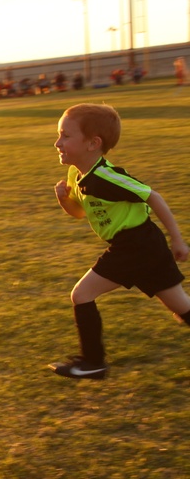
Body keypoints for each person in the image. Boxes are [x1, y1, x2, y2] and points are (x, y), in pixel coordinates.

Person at [50, 103, 190, 380]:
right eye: (59, 135)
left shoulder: (107, 175)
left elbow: (153, 196)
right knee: (182, 306)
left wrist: (178, 239)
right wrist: (64, 199)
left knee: (81, 295)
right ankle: (93, 362)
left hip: (135, 245)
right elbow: (79, 212)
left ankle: (93, 362)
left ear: (93, 143)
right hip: (143, 246)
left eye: (66, 136)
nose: (58, 142)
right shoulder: (78, 175)